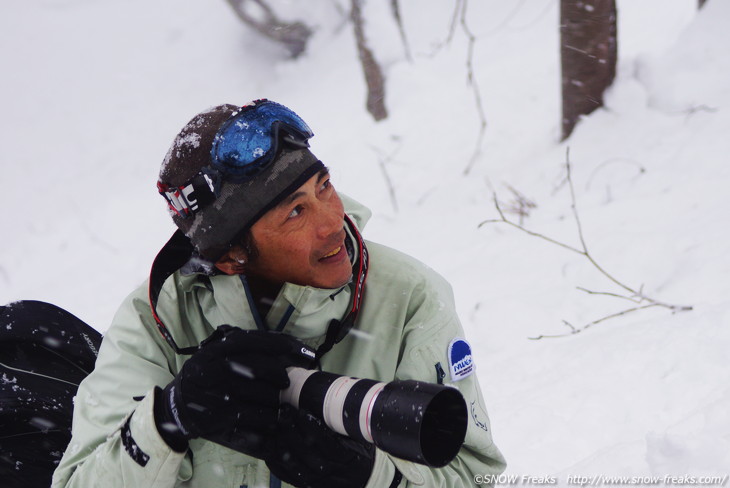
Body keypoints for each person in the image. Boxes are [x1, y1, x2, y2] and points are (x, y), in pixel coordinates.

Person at [52, 99, 506, 487]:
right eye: (295, 212)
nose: (333, 223)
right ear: (231, 256)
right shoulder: (157, 320)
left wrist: (367, 475)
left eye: (324, 187)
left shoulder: (407, 296)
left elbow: (476, 475)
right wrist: (171, 416)